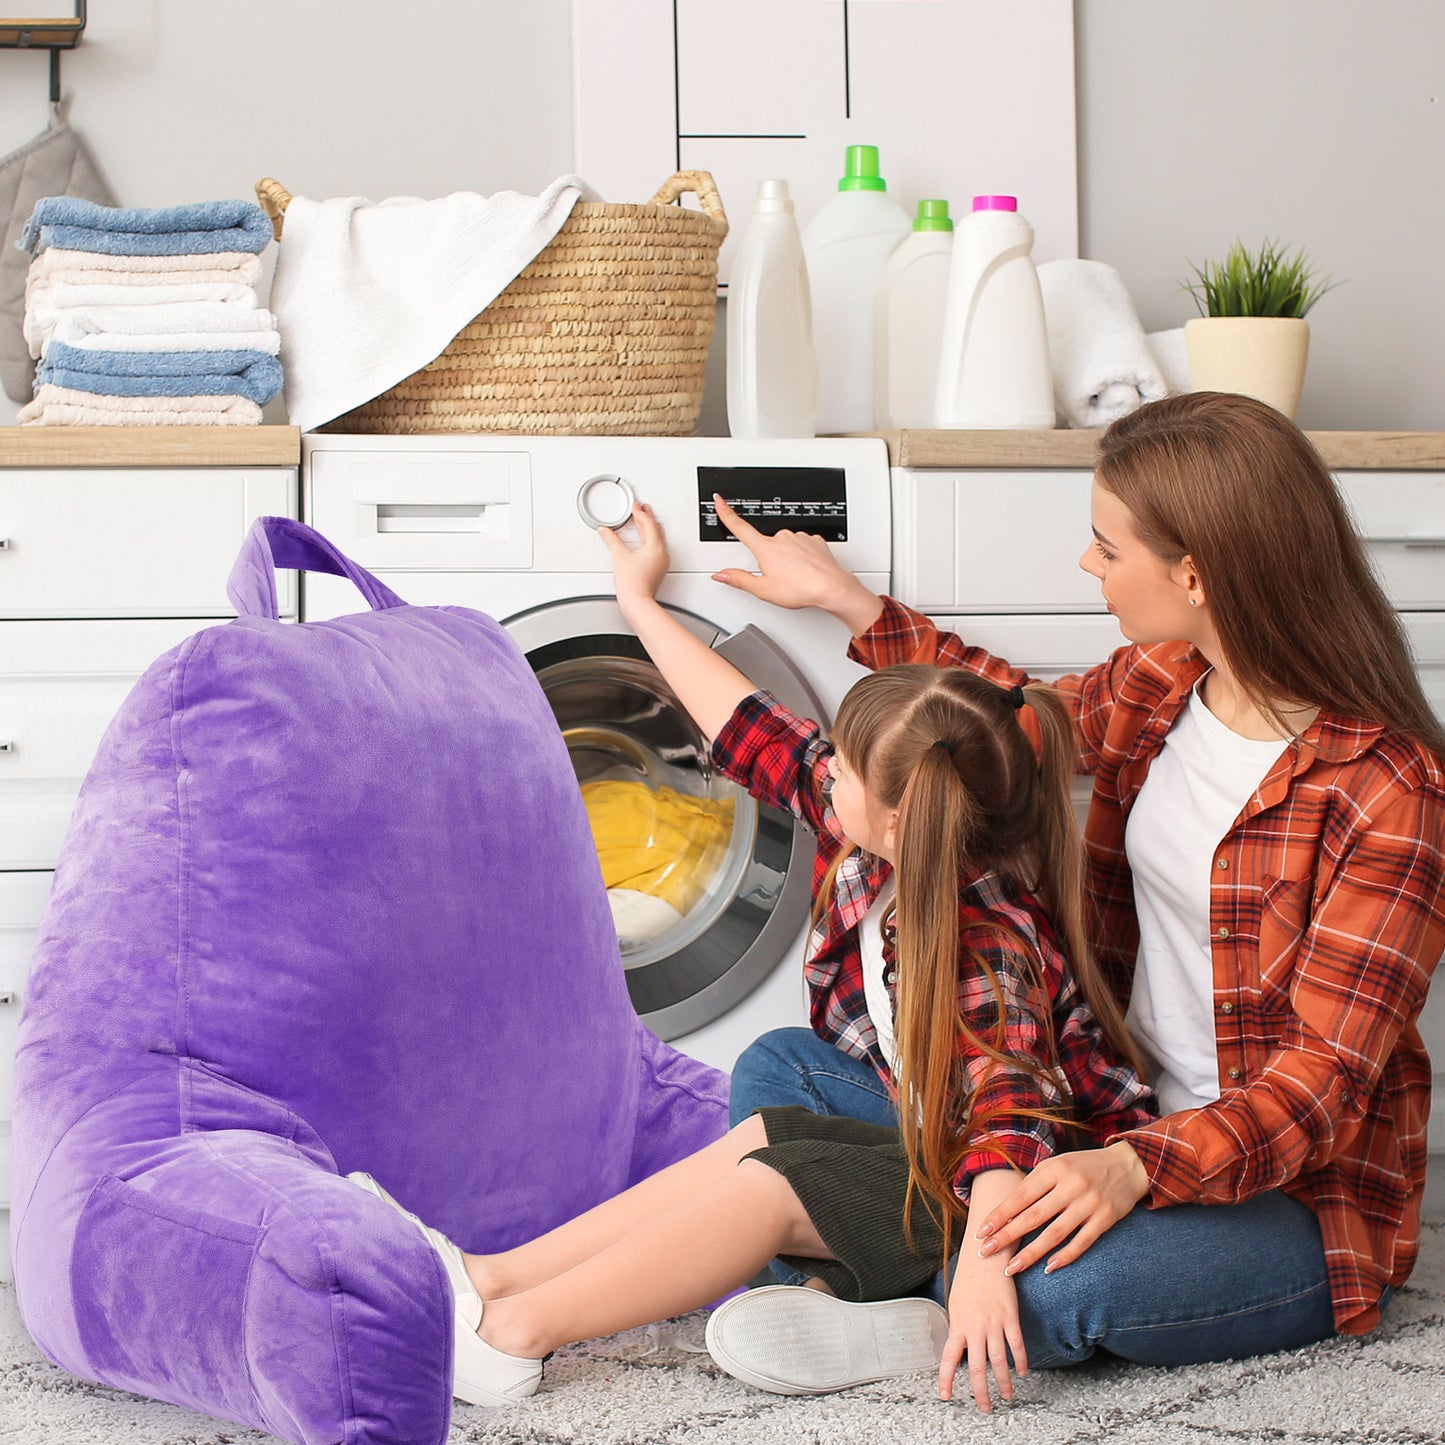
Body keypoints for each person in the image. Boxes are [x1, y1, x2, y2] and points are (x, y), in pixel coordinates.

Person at [348, 497, 1154, 1414]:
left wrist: (984, 1267)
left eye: (843, 768)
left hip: (1031, 1198)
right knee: (768, 1122)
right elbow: (757, 732)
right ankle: (490, 1275)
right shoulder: (886, 839)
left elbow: (1011, 1120)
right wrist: (639, 602)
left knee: (774, 1183)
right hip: (949, 1147)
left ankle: (511, 1338)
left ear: (900, 816)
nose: (825, 769)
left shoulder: (985, 936)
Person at [702, 391, 1445, 1383]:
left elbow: (1321, 1085)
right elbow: (1001, 721)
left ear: (1193, 573)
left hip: (1282, 1199)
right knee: (783, 1069)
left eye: (1106, 545)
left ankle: (887, 1282)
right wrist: (852, 606)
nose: (1087, 564)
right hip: (1100, 1113)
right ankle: (930, 1280)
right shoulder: (1160, 680)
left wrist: (1132, 1166)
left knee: (1051, 1291)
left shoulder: (1388, 790)